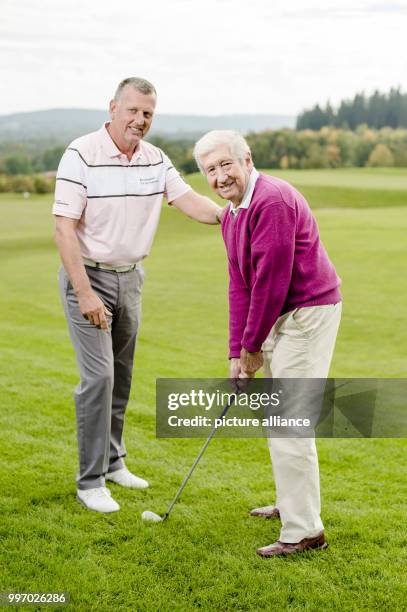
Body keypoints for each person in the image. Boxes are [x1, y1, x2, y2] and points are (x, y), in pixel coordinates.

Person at [53, 77, 222, 513]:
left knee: (122, 377)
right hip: (88, 278)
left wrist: (234, 215)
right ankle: (90, 482)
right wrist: (85, 292)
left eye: (147, 113)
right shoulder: (81, 153)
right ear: (113, 108)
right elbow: (64, 228)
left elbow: (189, 202)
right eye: (132, 110)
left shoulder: (155, 159)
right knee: (99, 379)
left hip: (132, 278)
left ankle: (112, 463)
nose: (140, 120)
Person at [193, 130, 342, 557]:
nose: (220, 177)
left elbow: (271, 283)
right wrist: (235, 351)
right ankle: (292, 504)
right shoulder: (234, 212)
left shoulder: (271, 202)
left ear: (247, 160)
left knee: (289, 422)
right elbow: (240, 285)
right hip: (282, 312)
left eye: (225, 165)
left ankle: (305, 532)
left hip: (306, 314)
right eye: (210, 170)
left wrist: (252, 347)